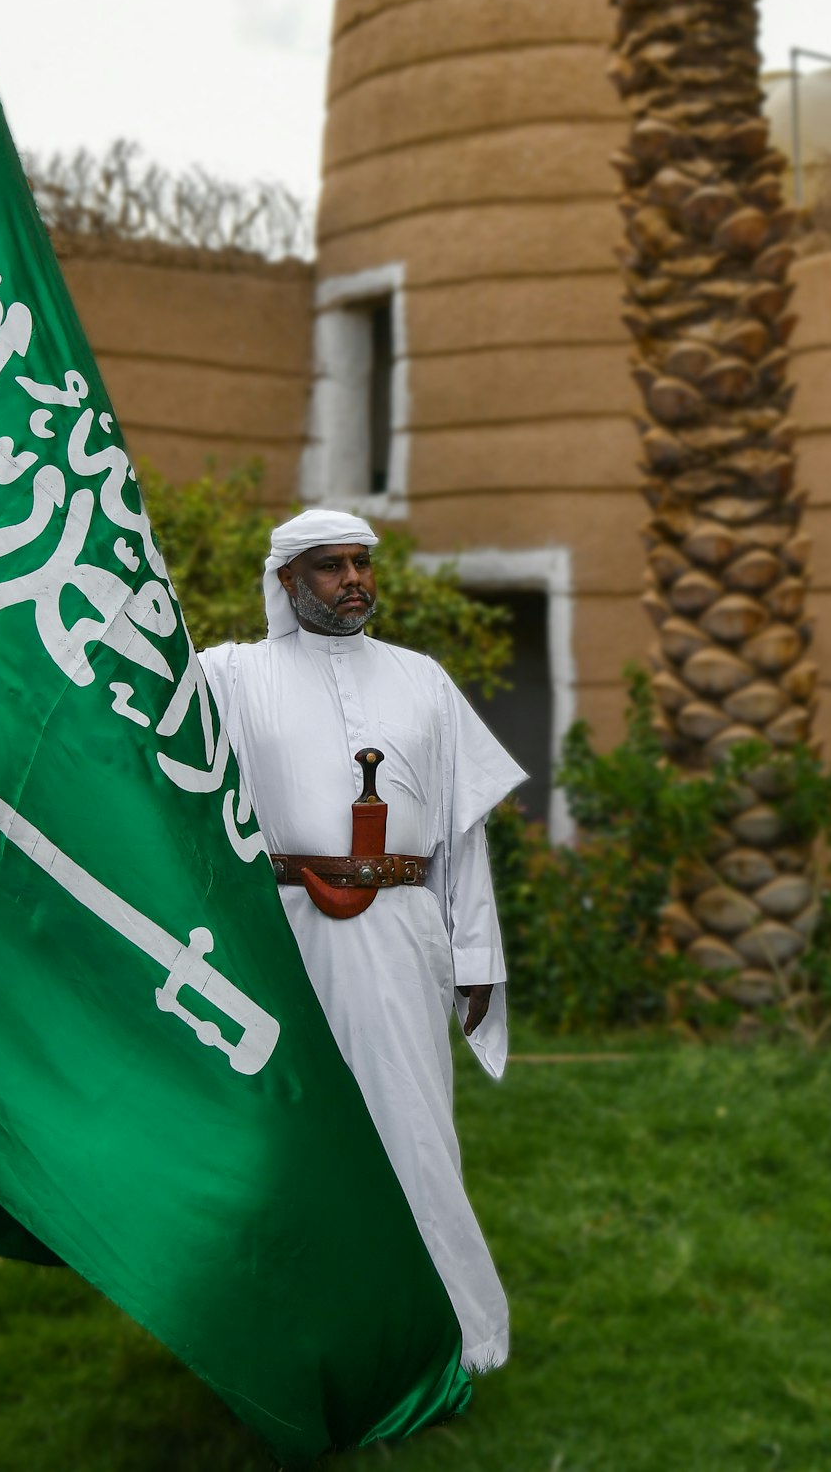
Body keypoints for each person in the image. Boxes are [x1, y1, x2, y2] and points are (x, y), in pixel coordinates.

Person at [200, 509, 526, 1371]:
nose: (354, 579)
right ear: (286, 582)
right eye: (330, 566)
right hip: (280, 940)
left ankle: (459, 1334)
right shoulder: (229, 675)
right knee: (294, 1137)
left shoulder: (422, 681)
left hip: (404, 938)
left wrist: (476, 956)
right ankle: (301, 1341)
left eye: (362, 563)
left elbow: (461, 836)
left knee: (413, 1126)